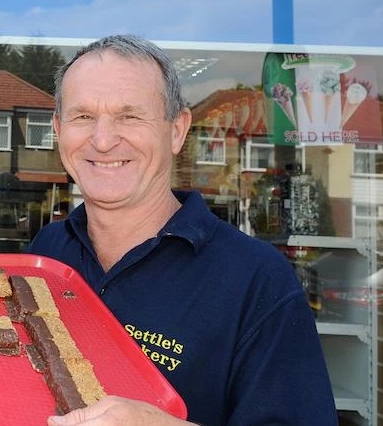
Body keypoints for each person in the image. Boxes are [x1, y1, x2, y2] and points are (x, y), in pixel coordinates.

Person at [29, 35, 337, 425]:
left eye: (129, 116)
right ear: (59, 129)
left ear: (177, 130)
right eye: (83, 116)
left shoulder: (257, 280)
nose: (103, 140)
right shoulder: (45, 253)